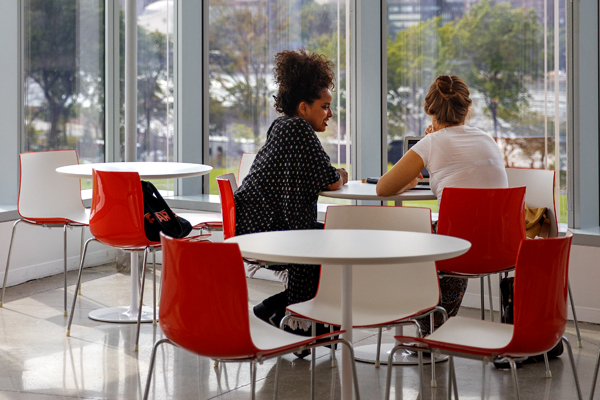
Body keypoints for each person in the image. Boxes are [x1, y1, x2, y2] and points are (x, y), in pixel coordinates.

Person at [377, 75, 507, 334]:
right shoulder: (487, 139)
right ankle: (435, 324)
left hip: (457, 251)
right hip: (501, 247)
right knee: (453, 230)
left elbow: (383, 188)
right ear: (467, 109)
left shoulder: (431, 142)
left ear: (429, 111)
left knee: (410, 237)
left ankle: (423, 324)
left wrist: (412, 180)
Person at [234, 49, 348, 337]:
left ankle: (282, 311)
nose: (330, 114)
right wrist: (340, 175)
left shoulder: (282, 126)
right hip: (265, 227)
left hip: (251, 221)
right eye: (324, 106)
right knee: (328, 243)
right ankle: (299, 318)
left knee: (325, 238)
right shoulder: (298, 129)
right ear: (303, 107)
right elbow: (330, 178)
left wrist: (332, 176)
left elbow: (317, 175)